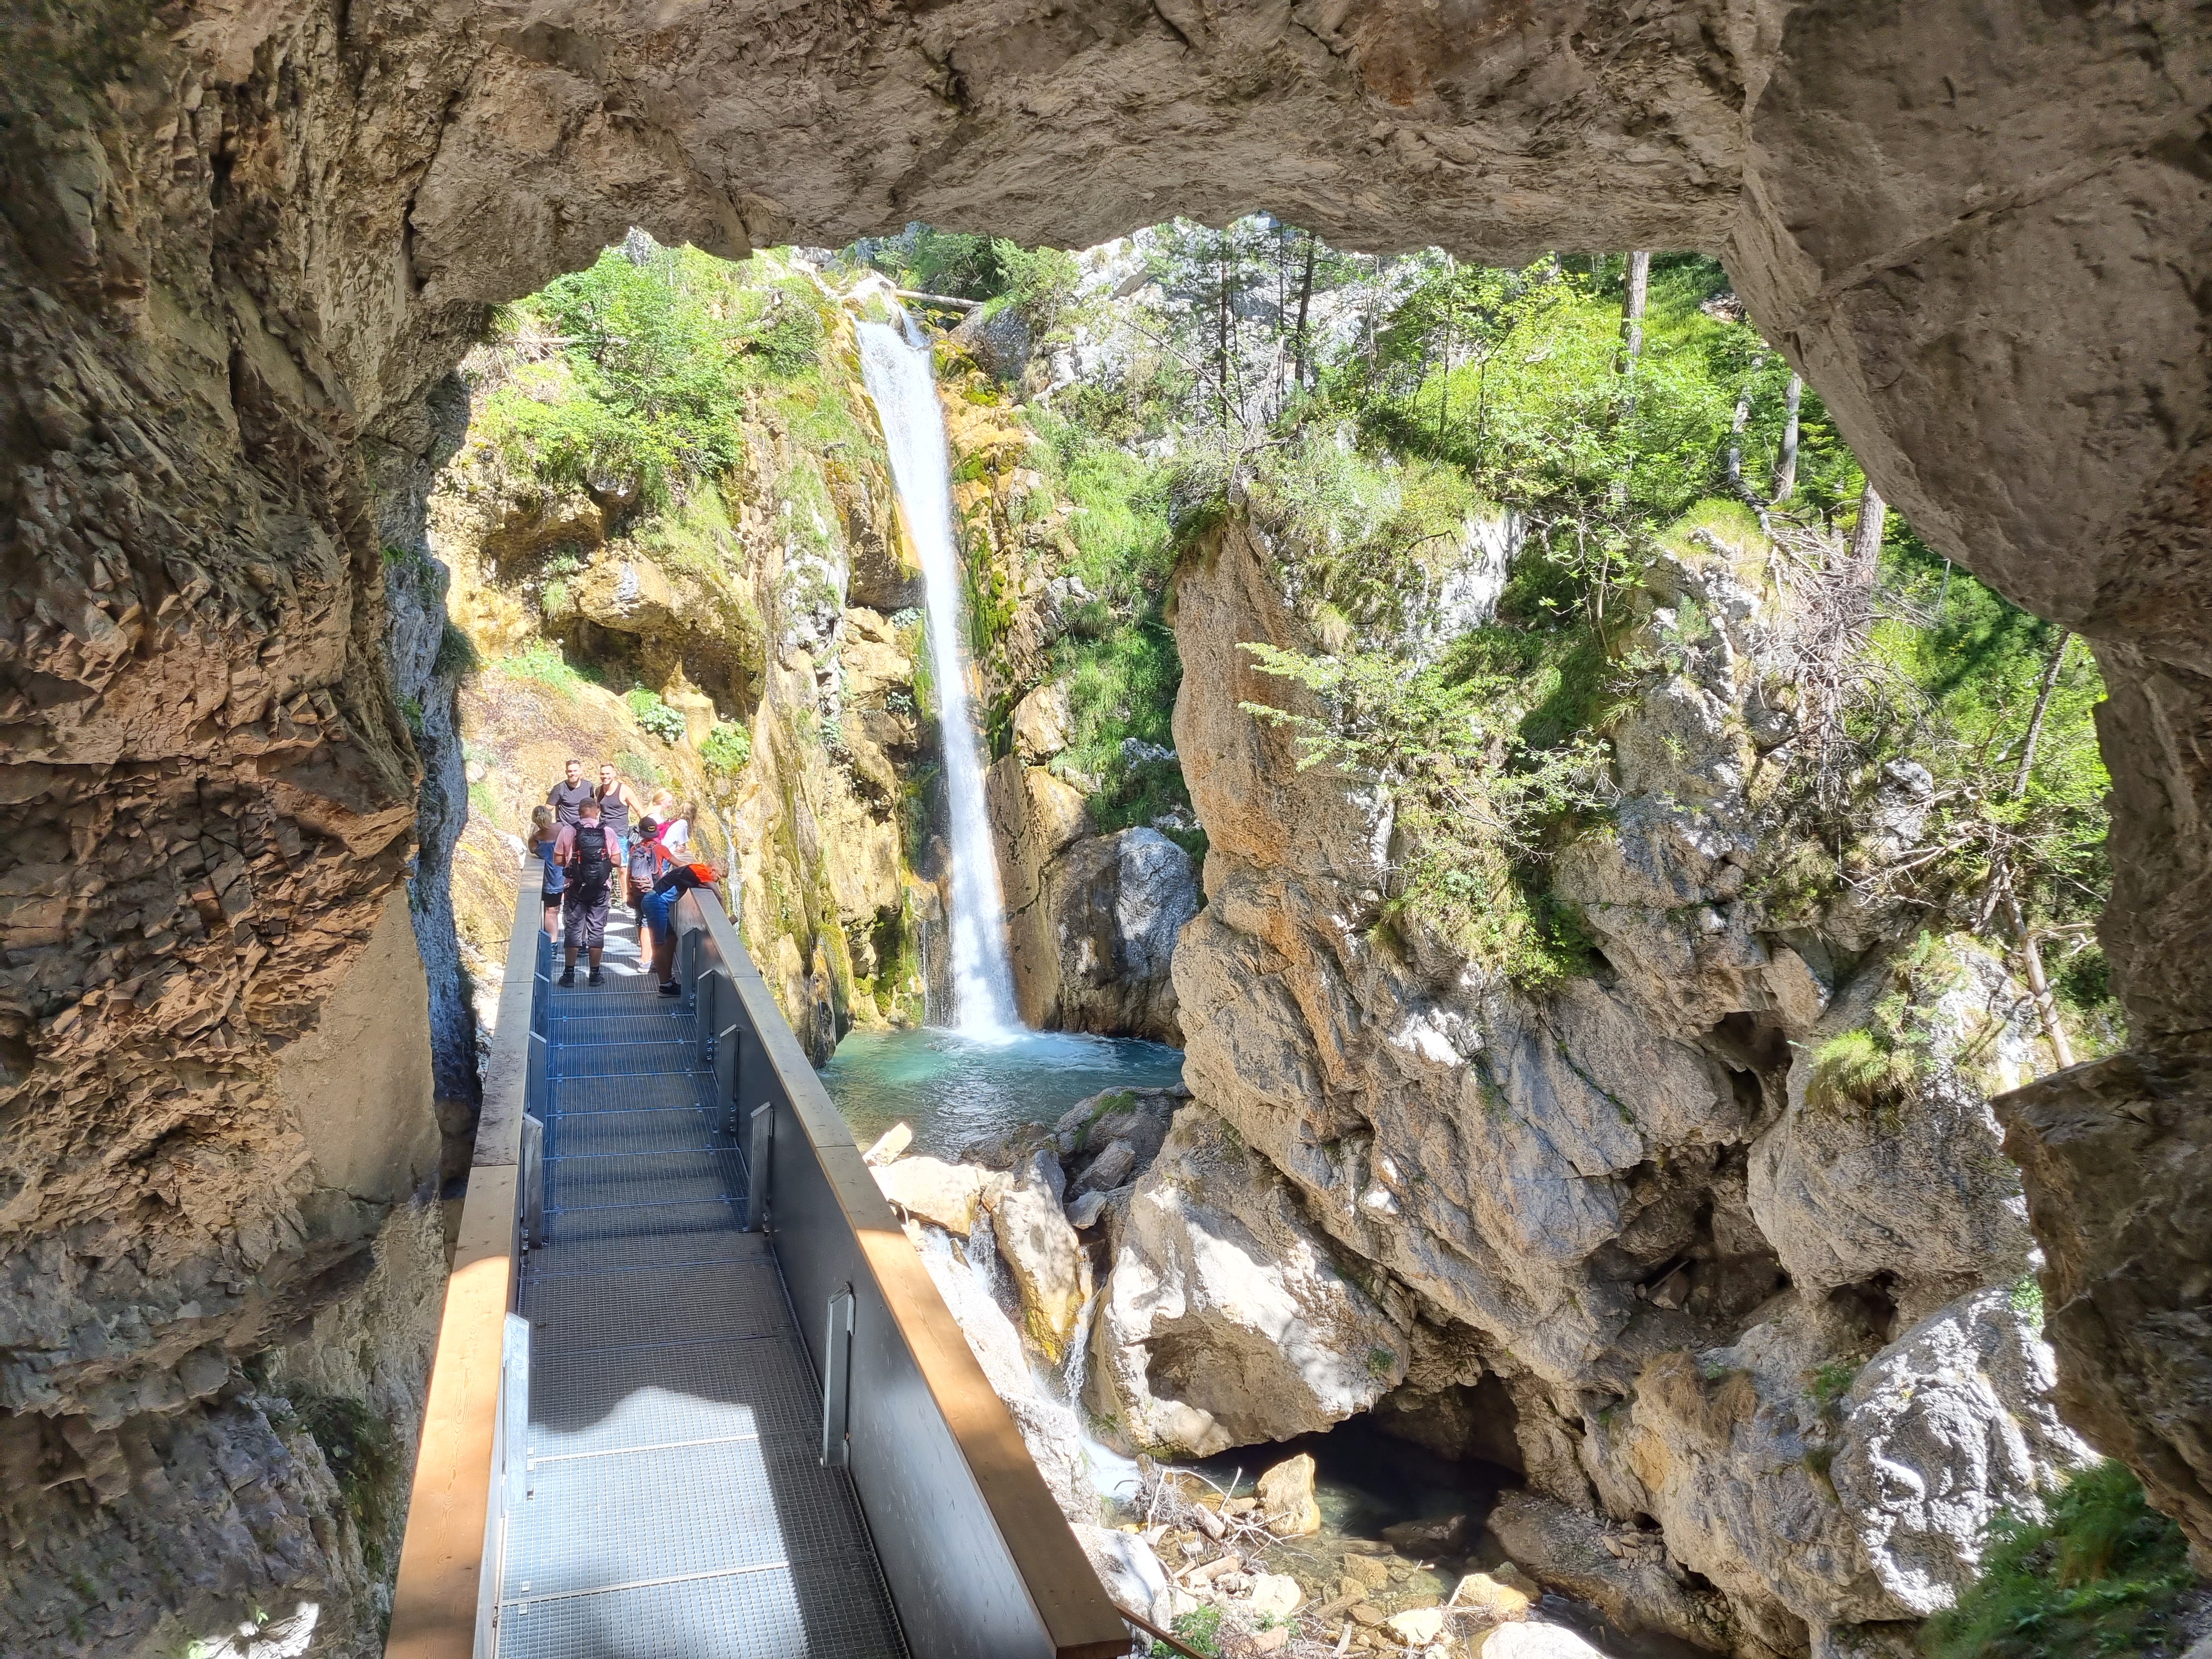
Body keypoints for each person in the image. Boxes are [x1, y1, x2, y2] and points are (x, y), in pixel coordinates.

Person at [553, 795, 618, 987]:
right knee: (597, 929)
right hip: (600, 888)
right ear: (597, 811)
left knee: (573, 930)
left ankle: (569, 974)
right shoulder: (607, 831)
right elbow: (617, 861)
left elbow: (557, 860)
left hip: (574, 887)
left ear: (579, 812)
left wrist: (573, 861)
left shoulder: (567, 831)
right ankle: (595, 975)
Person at [642, 855, 723, 997]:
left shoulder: (695, 869)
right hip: (656, 902)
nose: (718, 881)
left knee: (672, 939)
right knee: (660, 944)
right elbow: (718, 894)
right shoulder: (700, 871)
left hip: (656, 902)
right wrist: (724, 919)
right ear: (713, 870)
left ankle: (667, 979)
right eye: (719, 877)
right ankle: (665, 986)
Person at [596, 763, 647, 902]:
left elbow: (639, 810)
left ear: (614, 774)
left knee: (622, 868)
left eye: (608, 774)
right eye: (602, 774)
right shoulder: (599, 791)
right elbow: (597, 811)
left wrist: (648, 830)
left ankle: (626, 899)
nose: (605, 777)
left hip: (620, 835)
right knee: (601, 866)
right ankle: (604, 897)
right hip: (602, 834)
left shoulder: (624, 790)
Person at [527, 805, 565, 941]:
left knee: (551, 912)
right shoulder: (561, 828)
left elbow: (532, 849)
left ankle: (552, 944)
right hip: (568, 875)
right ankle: (580, 942)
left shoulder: (536, 839)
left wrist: (537, 830)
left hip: (551, 880)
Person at [546, 757, 594, 827]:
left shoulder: (588, 786)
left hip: (584, 829)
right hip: (565, 829)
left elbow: (593, 806)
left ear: (581, 771)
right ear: (566, 773)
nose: (573, 774)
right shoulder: (559, 788)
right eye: (570, 771)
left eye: (575, 771)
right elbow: (547, 809)